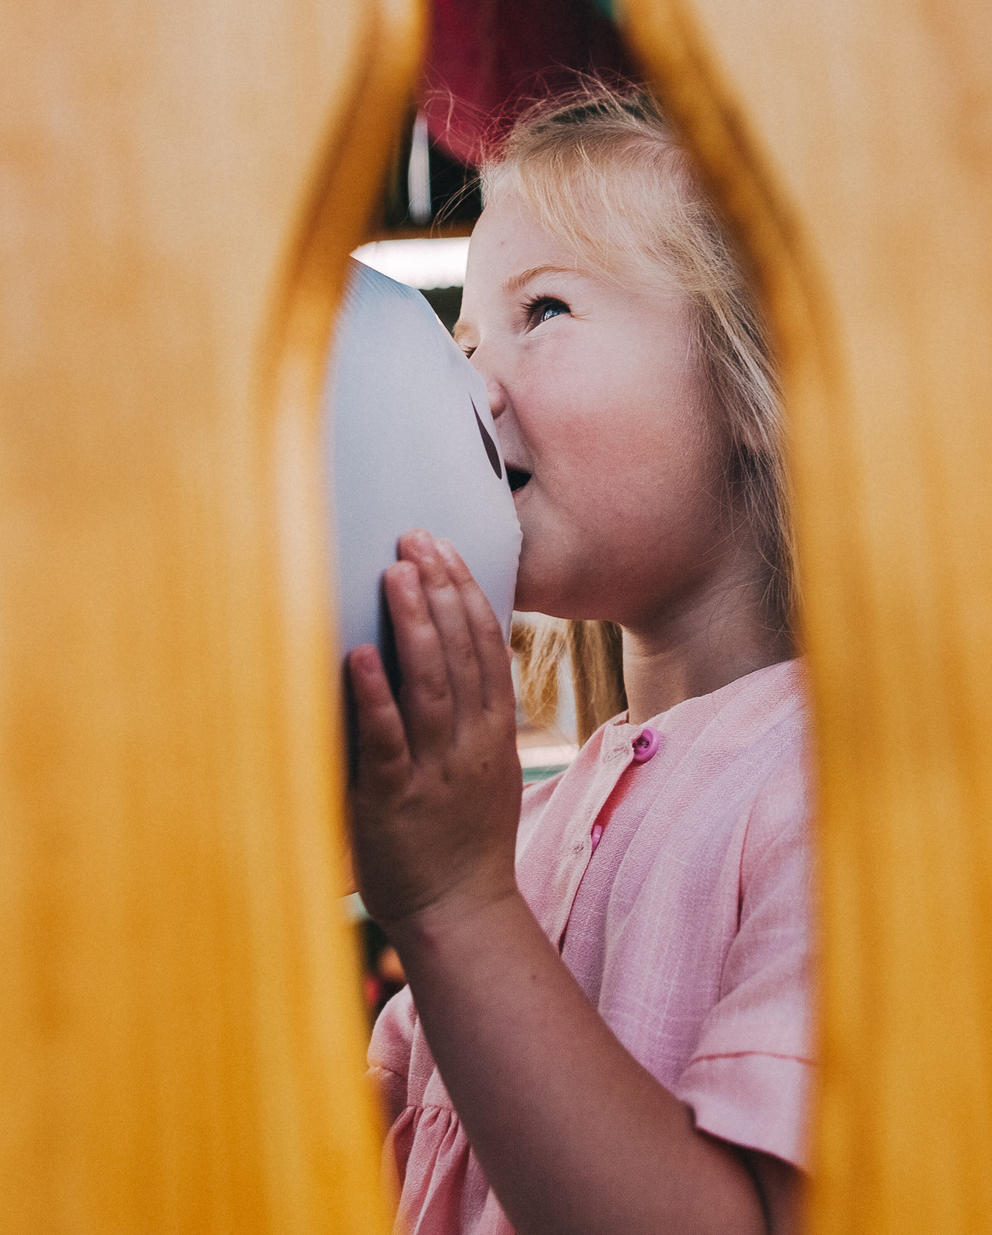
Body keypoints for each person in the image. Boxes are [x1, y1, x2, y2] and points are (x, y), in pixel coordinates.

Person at [345, 85, 809, 1235]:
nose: (472, 385)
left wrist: (454, 904)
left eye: (541, 311)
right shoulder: (525, 827)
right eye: (463, 341)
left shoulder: (849, 795)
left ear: (760, 368)